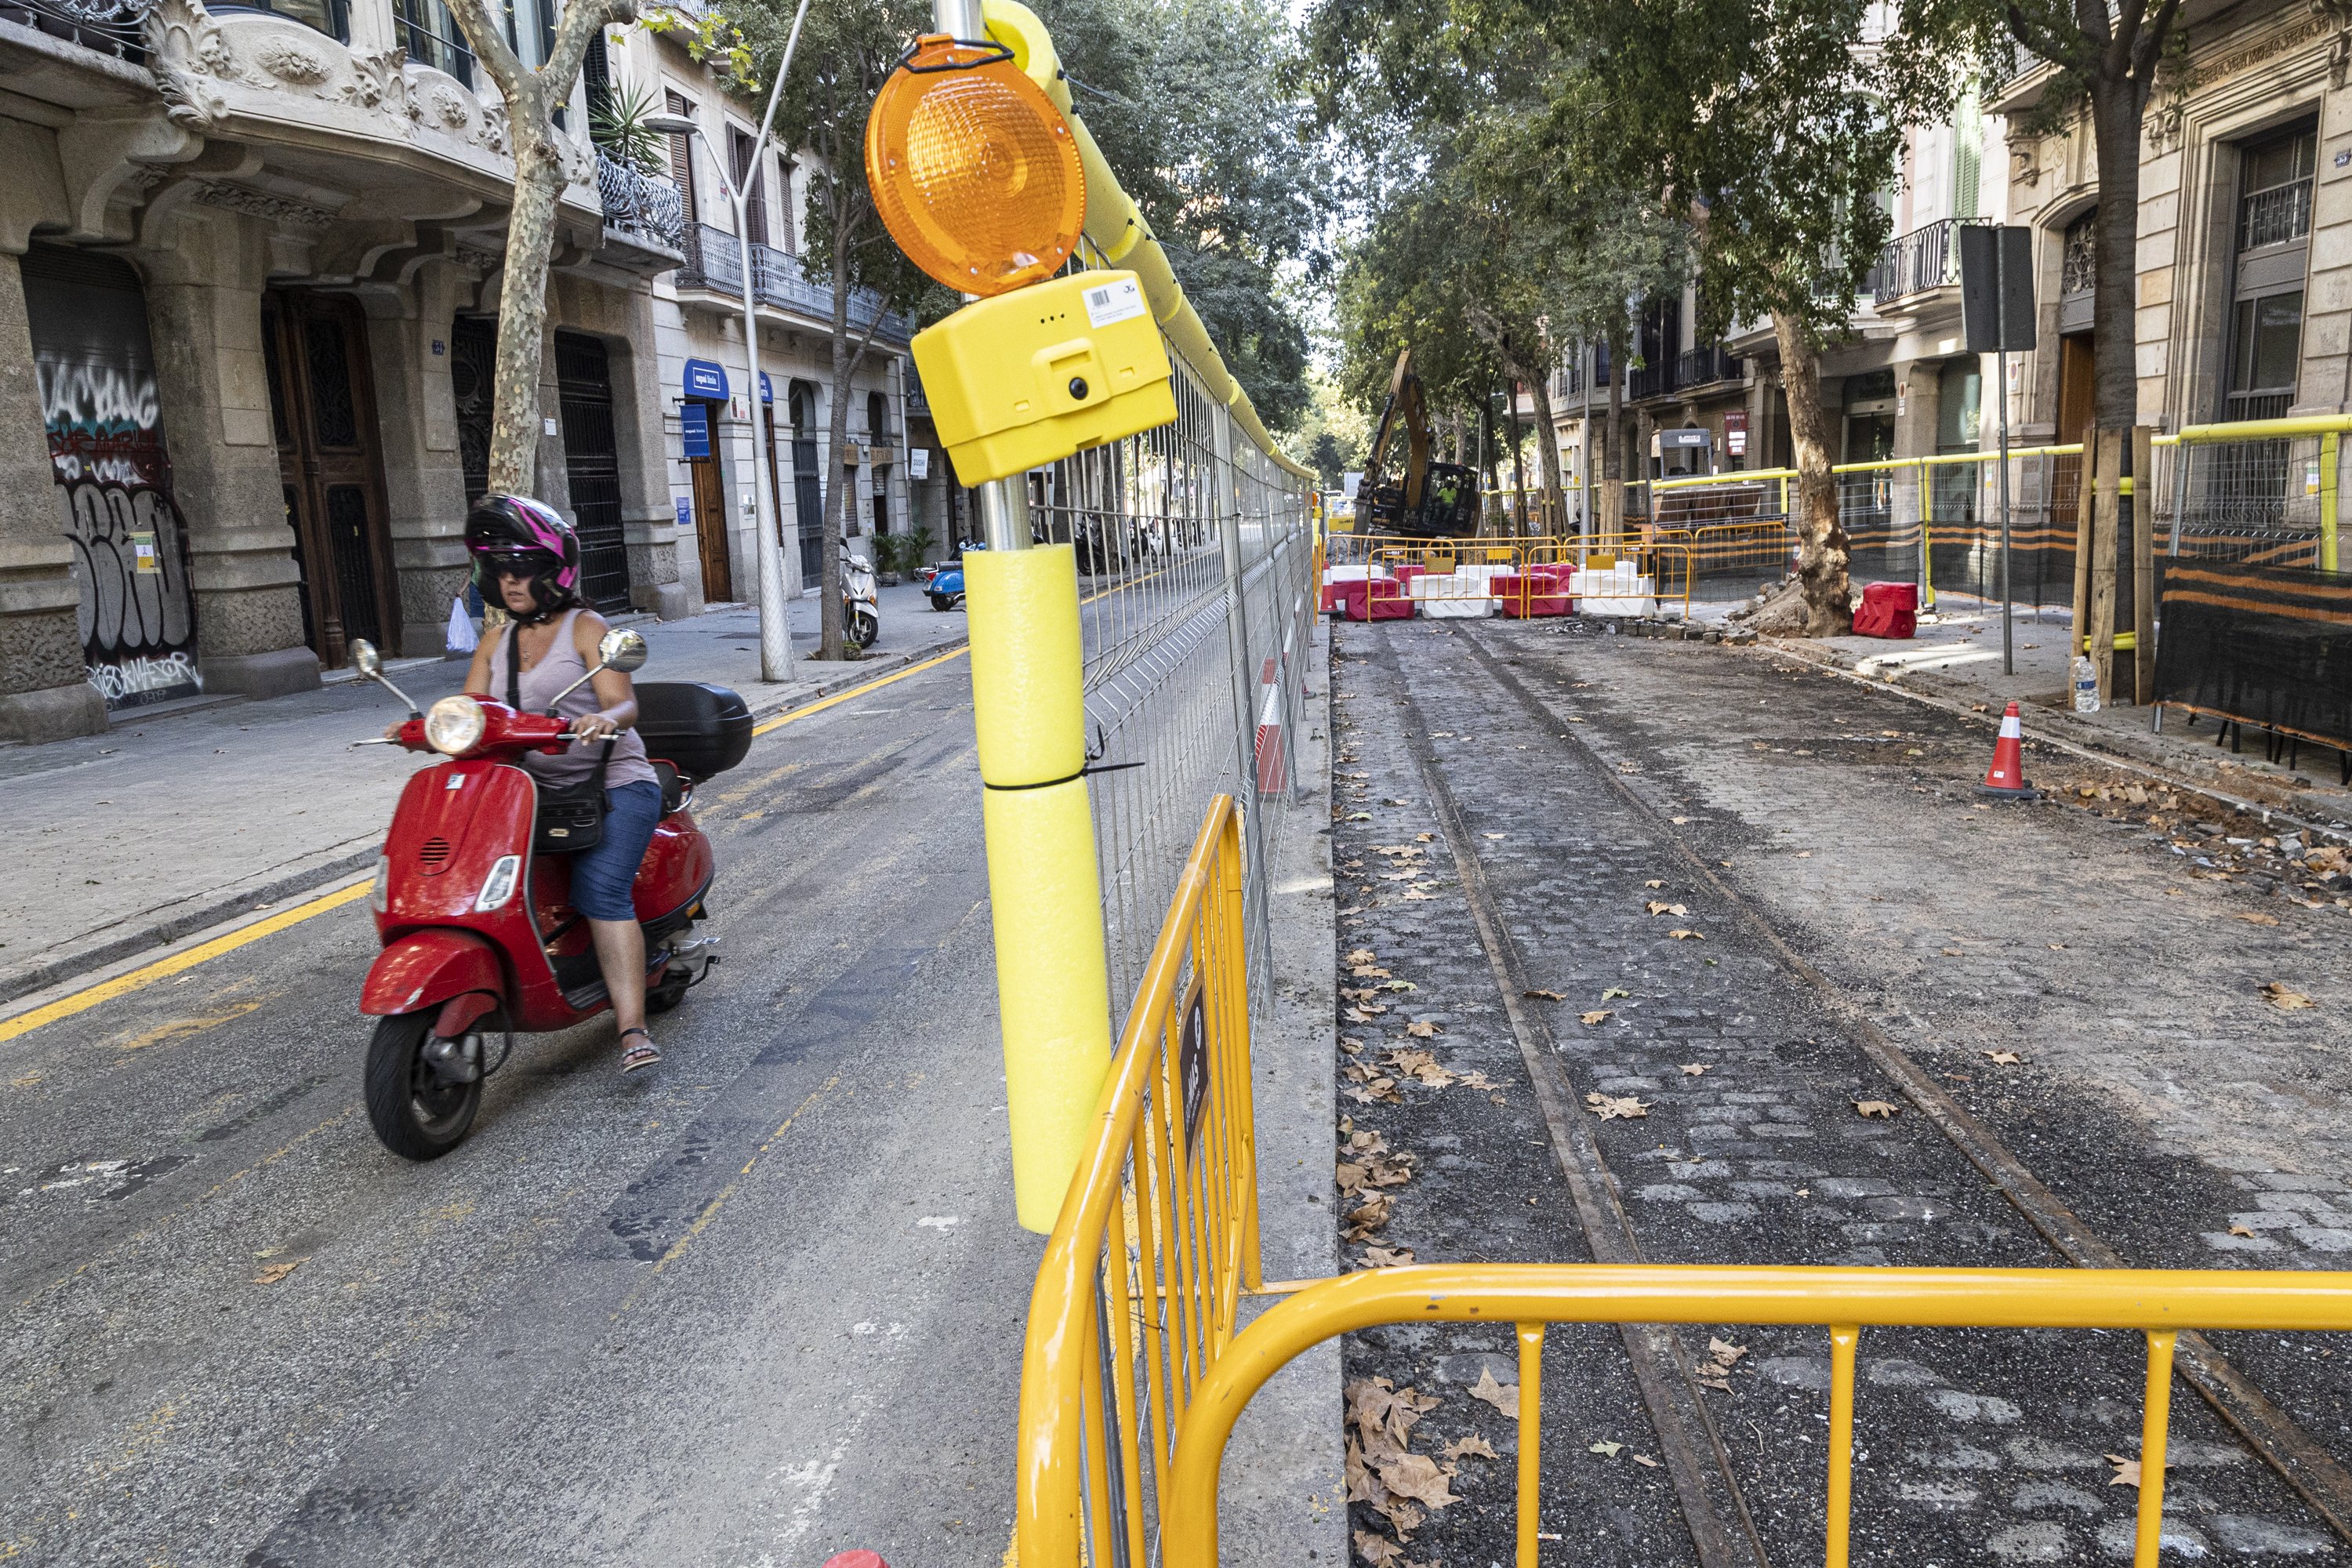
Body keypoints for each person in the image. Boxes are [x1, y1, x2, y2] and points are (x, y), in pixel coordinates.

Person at [392, 495, 666, 1072]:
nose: (510, 580)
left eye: (522, 568)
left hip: (614, 784)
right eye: (499, 570)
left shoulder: (587, 628)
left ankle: (632, 1028)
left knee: (601, 893)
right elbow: (472, 707)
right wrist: (426, 727)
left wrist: (600, 720)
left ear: (551, 570)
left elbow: (624, 705)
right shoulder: (495, 641)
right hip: (527, 793)